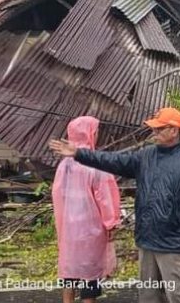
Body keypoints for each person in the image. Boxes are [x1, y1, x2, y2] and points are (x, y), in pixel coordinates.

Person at [49, 107, 180, 303]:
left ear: (174, 130)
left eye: (160, 129)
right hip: (146, 238)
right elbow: (113, 161)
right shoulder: (146, 156)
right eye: (154, 129)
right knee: (148, 294)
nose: (155, 133)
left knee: (177, 294)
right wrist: (79, 153)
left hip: (173, 241)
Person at [52, 116, 120, 303]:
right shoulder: (96, 163)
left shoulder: (64, 164)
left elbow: (58, 195)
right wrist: (111, 223)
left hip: (68, 228)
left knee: (69, 270)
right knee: (90, 277)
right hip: (91, 230)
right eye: (95, 130)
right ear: (90, 133)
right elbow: (106, 197)